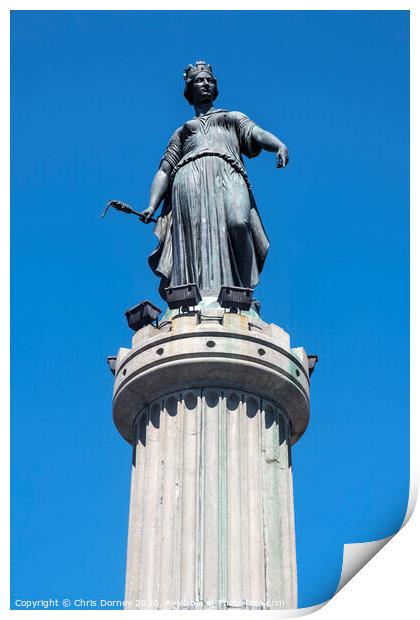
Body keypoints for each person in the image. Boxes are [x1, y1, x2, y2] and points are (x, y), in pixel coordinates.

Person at [140, 61, 289, 301]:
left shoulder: (231, 118)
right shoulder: (183, 131)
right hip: (189, 183)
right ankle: (194, 295)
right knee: (194, 239)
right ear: (190, 89)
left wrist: (279, 145)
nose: (205, 84)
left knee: (238, 222)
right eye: (199, 80)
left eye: (210, 80)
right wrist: (152, 205)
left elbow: (257, 134)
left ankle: (243, 289)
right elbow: (164, 171)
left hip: (228, 174)